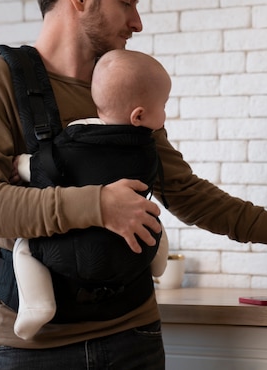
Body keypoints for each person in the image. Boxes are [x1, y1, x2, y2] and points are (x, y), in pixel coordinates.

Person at [0, 0, 267, 369]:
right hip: (35, 350)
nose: (137, 22)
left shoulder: (124, 89)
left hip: (133, 337)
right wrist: (100, 205)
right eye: (127, 2)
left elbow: (184, 191)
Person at [11, 49, 171, 340]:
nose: (166, 113)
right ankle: (158, 261)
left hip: (67, 254)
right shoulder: (148, 151)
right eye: (164, 105)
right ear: (139, 115)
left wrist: (21, 163)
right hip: (133, 252)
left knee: (24, 244)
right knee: (150, 212)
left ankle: (38, 304)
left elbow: (42, 169)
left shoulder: (73, 143)